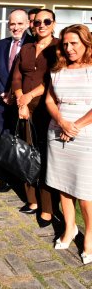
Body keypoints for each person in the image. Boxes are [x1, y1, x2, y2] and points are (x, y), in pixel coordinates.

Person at [45, 24, 92, 265]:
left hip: (86, 134)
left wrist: (77, 125)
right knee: (63, 186)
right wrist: (62, 121)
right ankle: (70, 227)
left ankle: (90, 237)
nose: (69, 48)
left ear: (86, 43)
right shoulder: (58, 69)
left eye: (74, 43)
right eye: (65, 44)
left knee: (85, 191)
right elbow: (50, 99)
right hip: (58, 130)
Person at [12, 9, 58, 226]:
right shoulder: (27, 48)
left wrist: (29, 97)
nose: (41, 25)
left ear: (53, 24)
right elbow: (17, 76)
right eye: (38, 21)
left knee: (45, 158)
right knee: (27, 154)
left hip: (46, 110)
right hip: (24, 109)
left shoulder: (58, 47)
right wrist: (21, 100)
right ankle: (32, 201)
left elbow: (52, 79)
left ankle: (48, 208)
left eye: (46, 21)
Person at [0, 8, 34, 192]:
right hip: (2, 102)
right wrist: (2, 93)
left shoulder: (33, 44)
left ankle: (24, 180)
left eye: (20, 23)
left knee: (23, 142)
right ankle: (6, 179)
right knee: (4, 141)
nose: (15, 27)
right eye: (12, 24)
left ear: (28, 24)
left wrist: (14, 95)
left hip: (23, 103)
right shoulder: (0, 45)